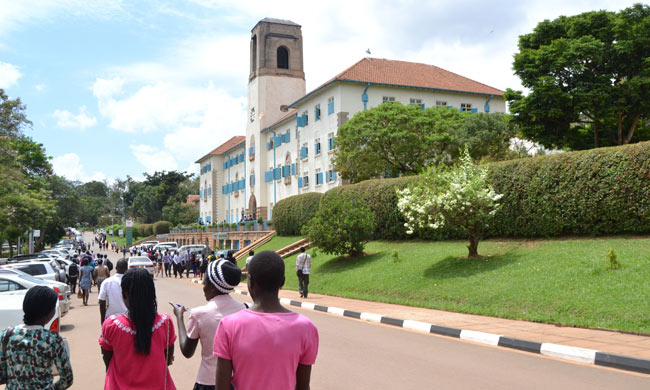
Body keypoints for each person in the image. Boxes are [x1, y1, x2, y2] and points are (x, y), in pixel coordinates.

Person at [213, 251, 318, 390]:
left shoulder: (229, 325)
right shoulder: (306, 327)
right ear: (283, 282)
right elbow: (303, 386)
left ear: (250, 282)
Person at [171, 259, 245, 390]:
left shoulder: (198, 314)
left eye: (204, 283)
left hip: (207, 382)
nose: (203, 287)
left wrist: (179, 317)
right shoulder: (245, 309)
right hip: (236, 382)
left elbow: (187, 351)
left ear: (211, 287)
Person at [99, 269, 176, 390]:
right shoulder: (165, 322)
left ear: (124, 295)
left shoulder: (111, 325)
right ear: (152, 294)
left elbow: (107, 358)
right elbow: (167, 358)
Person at [0, 286, 73, 389]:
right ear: (48, 314)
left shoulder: (7, 335)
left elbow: (2, 375)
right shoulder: (53, 339)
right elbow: (67, 379)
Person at [99, 259, 129, 325]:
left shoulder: (106, 282)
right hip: (127, 320)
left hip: (111, 320)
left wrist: (103, 322)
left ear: (115, 268)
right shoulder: (131, 282)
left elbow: (102, 302)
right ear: (127, 269)